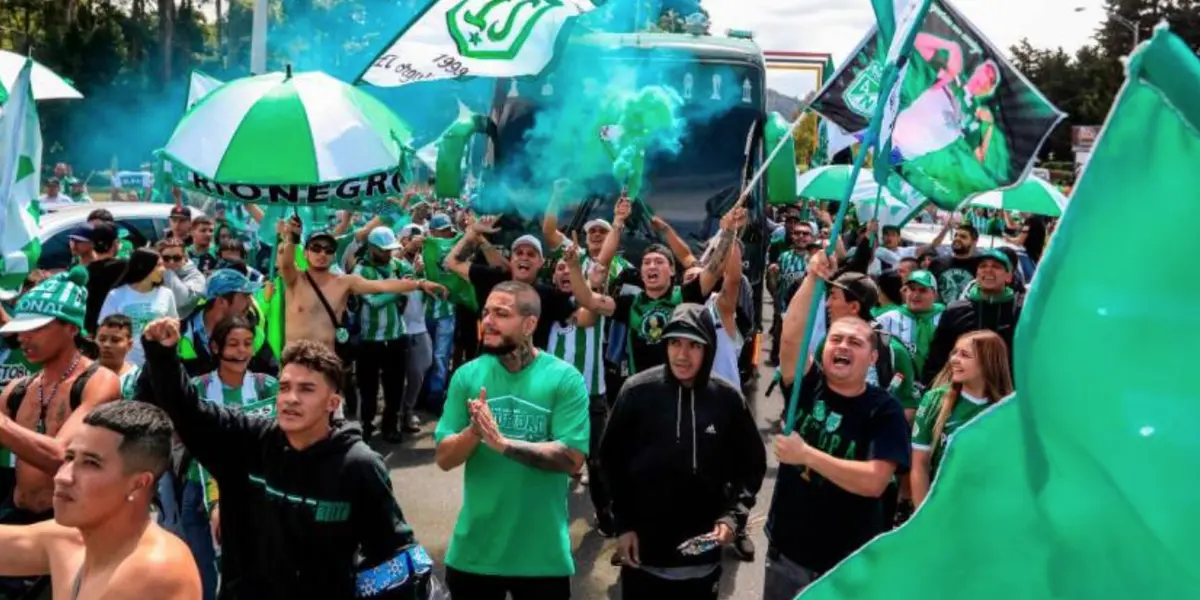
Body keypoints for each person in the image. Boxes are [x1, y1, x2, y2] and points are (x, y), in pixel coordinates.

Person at [140, 321, 420, 599]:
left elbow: (393, 552)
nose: (291, 398)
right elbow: (186, 410)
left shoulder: (359, 465)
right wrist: (162, 354)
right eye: (284, 387)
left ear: (332, 403)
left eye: (307, 389)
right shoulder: (245, 442)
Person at [764, 254, 912, 599]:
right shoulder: (806, 385)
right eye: (836, 340)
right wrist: (812, 279)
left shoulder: (883, 410)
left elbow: (875, 481)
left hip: (846, 566)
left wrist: (806, 455)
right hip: (787, 556)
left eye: (855, 342)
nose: (843, 346)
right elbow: (789, 339)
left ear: (873, 358)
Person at [434, 281, 589, 600]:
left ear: (530, 324)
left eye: (501, 314)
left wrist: (502, 444)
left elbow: (572, 458)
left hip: (542, 559)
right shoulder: (467, 376)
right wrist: (474, 432)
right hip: (473, 555)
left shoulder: (564, 378)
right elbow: (444, 458)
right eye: (486, 312)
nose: (488, 320)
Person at [602, 304, 766, 599]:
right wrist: (622, 525)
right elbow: (610, 462)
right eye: (675, 343)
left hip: (702, 557)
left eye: (693, 345)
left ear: (709, 348)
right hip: (643, 554)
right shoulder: (636, 392)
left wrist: (733, 517)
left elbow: (751, 466)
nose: (682, 355)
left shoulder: (727, 399)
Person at [0, 401, 202, 598]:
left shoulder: (155, 570)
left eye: (91, 463)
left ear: (138, 484)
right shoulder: (69, 538)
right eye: (69, 458)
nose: (62, 477)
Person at [275, 220, 446, 351]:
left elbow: (382, 286)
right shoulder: (295, 280)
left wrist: (420, 283)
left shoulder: (344, 282)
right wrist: (292, 238)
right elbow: (286, 263)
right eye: (316, 248)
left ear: (334, 255)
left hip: (326, 362)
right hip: (295, 361)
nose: (322, 253)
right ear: (305, 253)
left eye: (328, 250)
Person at [911, 330, 1012, 507]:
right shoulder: (935, 401)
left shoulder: (1009, 410)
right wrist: (924, 518)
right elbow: (919, 466)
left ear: (988, 363)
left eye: (965, 355)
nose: (954, 360)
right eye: (954, 352)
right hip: (944, 509)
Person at [922, 249, 1023, 385]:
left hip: (1007, 394)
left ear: (1009, 277)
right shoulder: (955, 311)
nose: (988, 270)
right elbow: (937, 359)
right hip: (962, 394)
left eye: (996, 266)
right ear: (977, 274)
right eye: (983, 266)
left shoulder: (1021, 312)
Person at [352, 226, 413, 443]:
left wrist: (410, 276)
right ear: (372, 248)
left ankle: (390, 426)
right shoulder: (360, 272)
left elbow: (411, 274)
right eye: (384, 250)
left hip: (397, 336)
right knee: (368, 387)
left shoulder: (396, 265)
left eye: (391, 250)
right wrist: (399, 290)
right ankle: (366, 426)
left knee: (395, 386)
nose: (389, 254)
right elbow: (373, 302)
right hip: (370, 340)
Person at [176, 269, 275, 378]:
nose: (251, 303)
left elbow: (273, 377)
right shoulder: (178, 336)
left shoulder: (256, 336)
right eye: (245, 296)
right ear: (222, 301)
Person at [98, 248, 179, 367]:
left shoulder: (166, 294)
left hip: (157, 363)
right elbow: (103, 327)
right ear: (144, 266)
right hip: (125, 363)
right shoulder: (116, 295)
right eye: (158, 265)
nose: (163, 269)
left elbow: (174, 323)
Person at [874, 269, 946, 392]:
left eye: (922, 290)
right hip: (899, 390)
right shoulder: (887, 319)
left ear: (934, 294)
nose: (915, 295)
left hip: (939, 387)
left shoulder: (946, 317)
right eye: (912, 289)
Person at [396, 225, 432, 434]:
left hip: (419, 325)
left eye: (419, 238)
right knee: (400, 374)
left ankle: (407, 408)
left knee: (420, 369)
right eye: (411, 238)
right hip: (398, 328)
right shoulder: (394, 261)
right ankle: (401, 414)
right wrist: (412, 270)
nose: (416, 242)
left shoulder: (423, 261)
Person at [158, 238, 208, 319]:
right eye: (166, 258)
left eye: (177, 258)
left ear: (185, 257)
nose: (171, 262)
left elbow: (180, 301)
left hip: (184, 325)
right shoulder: (155, 273)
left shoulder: (197, 278)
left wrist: (167, 272)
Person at [95, 314, 140, 399]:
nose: (106, 345)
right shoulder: (84, 373)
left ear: (129, 345)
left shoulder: (138, 379)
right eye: (102, 339)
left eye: (115, 340)